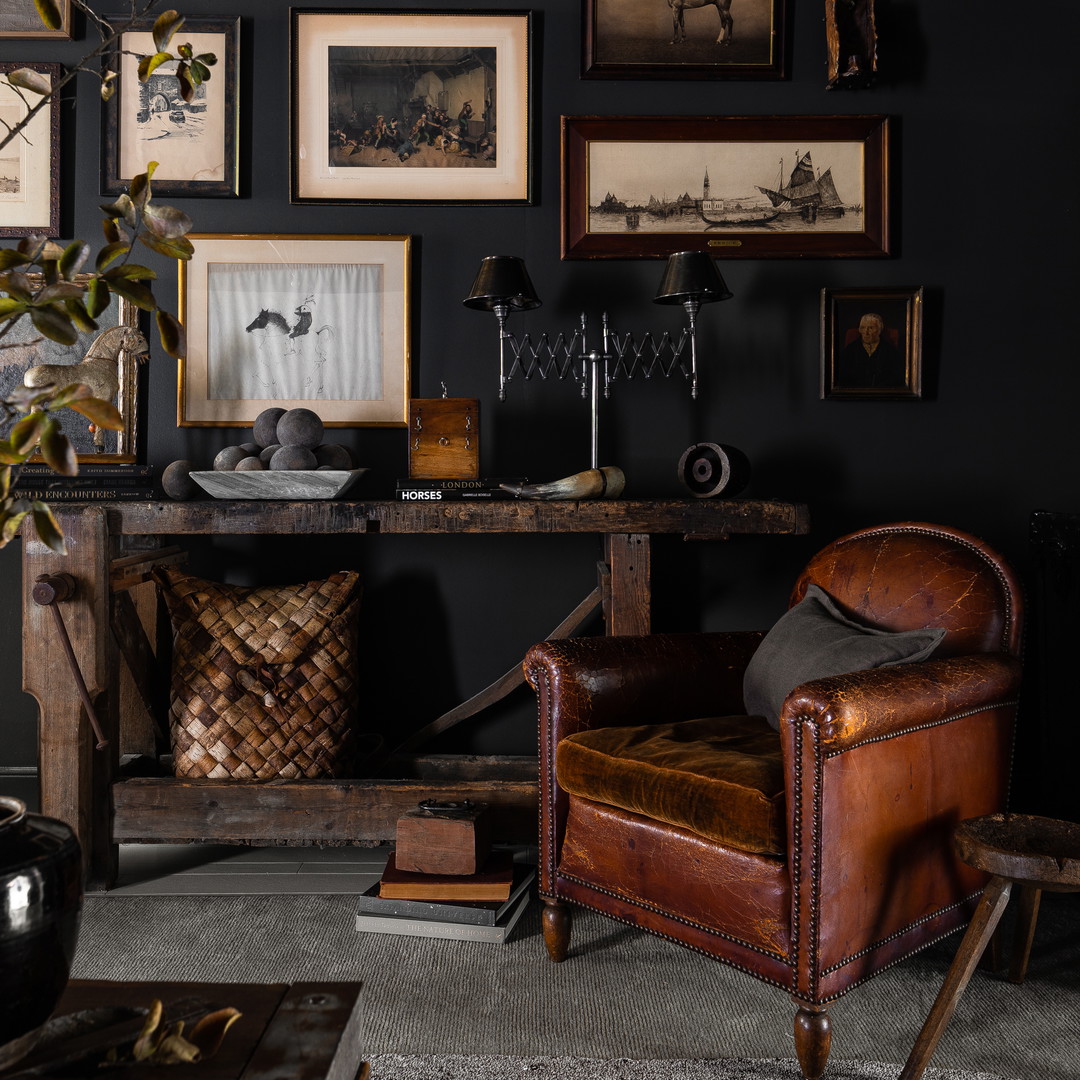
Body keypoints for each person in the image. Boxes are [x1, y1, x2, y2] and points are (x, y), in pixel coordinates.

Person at [836, 311, 906, 388]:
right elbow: (842, 377)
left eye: (871, 328)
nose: (866, 332)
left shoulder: (891, 352)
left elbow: (896, 378)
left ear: (879, 330)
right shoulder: (849, 350)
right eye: (862, 328)